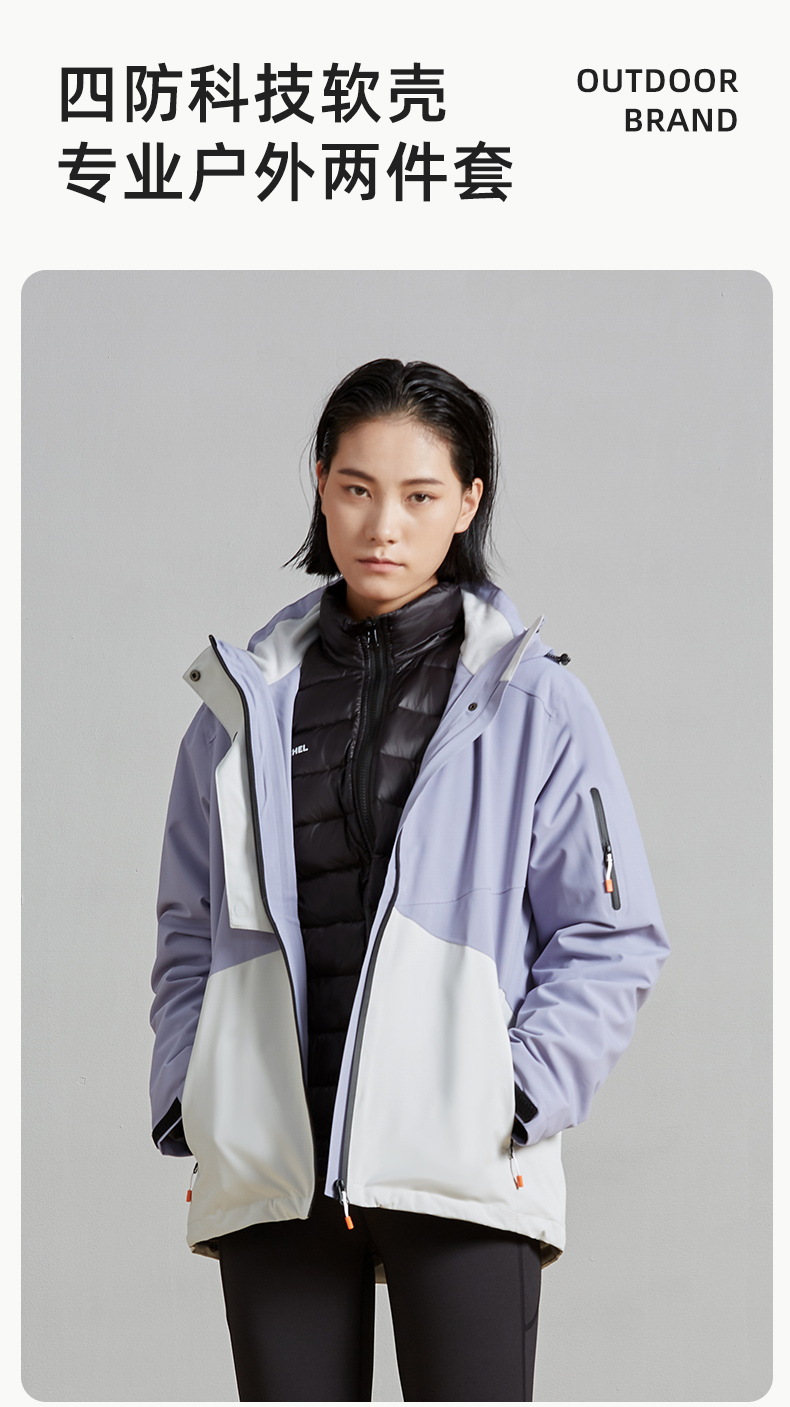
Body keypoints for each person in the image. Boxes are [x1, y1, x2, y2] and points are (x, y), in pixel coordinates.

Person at [149, 358, 670, 1402]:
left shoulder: (534, 704)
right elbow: (190, 926)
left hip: (460, 1157)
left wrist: (514, 1094)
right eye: (356, 488)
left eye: (420, 495)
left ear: (467, 502)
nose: (382, 525)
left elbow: (611, 933)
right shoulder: (239, 708)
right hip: (275, 1158)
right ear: (320, 484)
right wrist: (190, 1096)